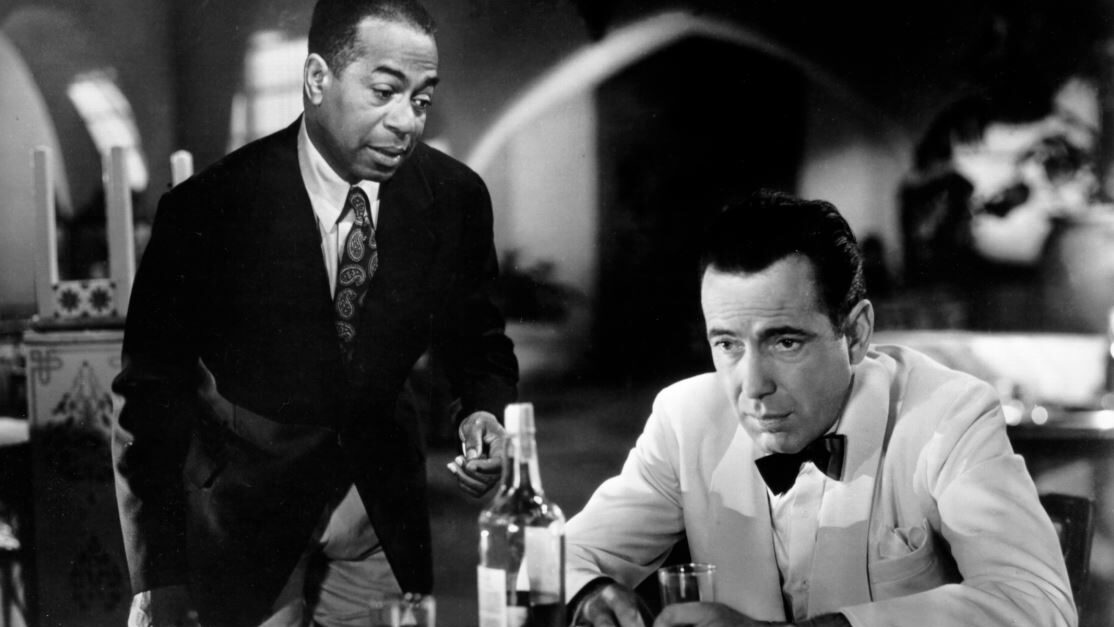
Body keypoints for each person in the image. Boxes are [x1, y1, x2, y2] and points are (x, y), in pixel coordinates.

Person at [111, 1, 518, 625]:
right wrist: (157, 571)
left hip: (378, 509)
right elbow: (148, 394)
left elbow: (479, 342)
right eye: (384, 91)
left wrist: (483, 411)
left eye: (422, 99)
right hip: (245, 511)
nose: (407, 122)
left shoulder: (455, 197)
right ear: (317, 79)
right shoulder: (207, 208)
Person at [564, 190, 1075, 627]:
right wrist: (589, 595)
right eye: (728, 344)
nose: (753, 387)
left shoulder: (949, 416)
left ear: (855, 334)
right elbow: (565, 556)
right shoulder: (685, 420)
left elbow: (1038, 605)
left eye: (785, 342)